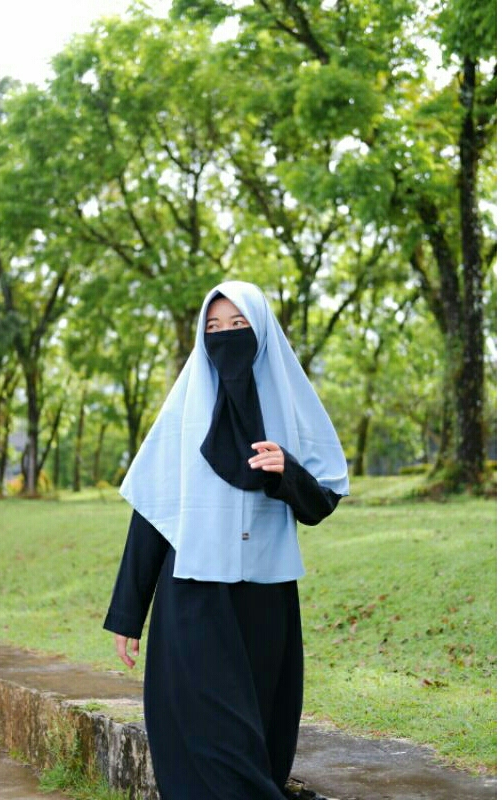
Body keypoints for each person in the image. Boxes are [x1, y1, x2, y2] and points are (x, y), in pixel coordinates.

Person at [103, 280, 349, 800]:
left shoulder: (293, 407)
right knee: (209, 741)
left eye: (239, 325)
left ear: (262, 333)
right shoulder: (183, 411)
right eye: (213, 328)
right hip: (192, 595)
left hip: (266, 600)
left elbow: (321, 502)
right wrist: (128, 615)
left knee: (260, 736)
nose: (226, 337)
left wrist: (287, 471)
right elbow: (151, 513)